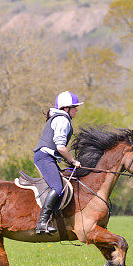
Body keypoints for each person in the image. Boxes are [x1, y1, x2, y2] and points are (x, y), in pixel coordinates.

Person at [32, 91, 82, 234]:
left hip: (48, 158)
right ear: (66, 108)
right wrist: (72, 161)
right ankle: (42, 222)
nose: (76, 110)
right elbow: (60, 147)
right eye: (74, 107)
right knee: (58, 187)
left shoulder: (62, 118)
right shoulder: (62, 120)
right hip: (44, 157)